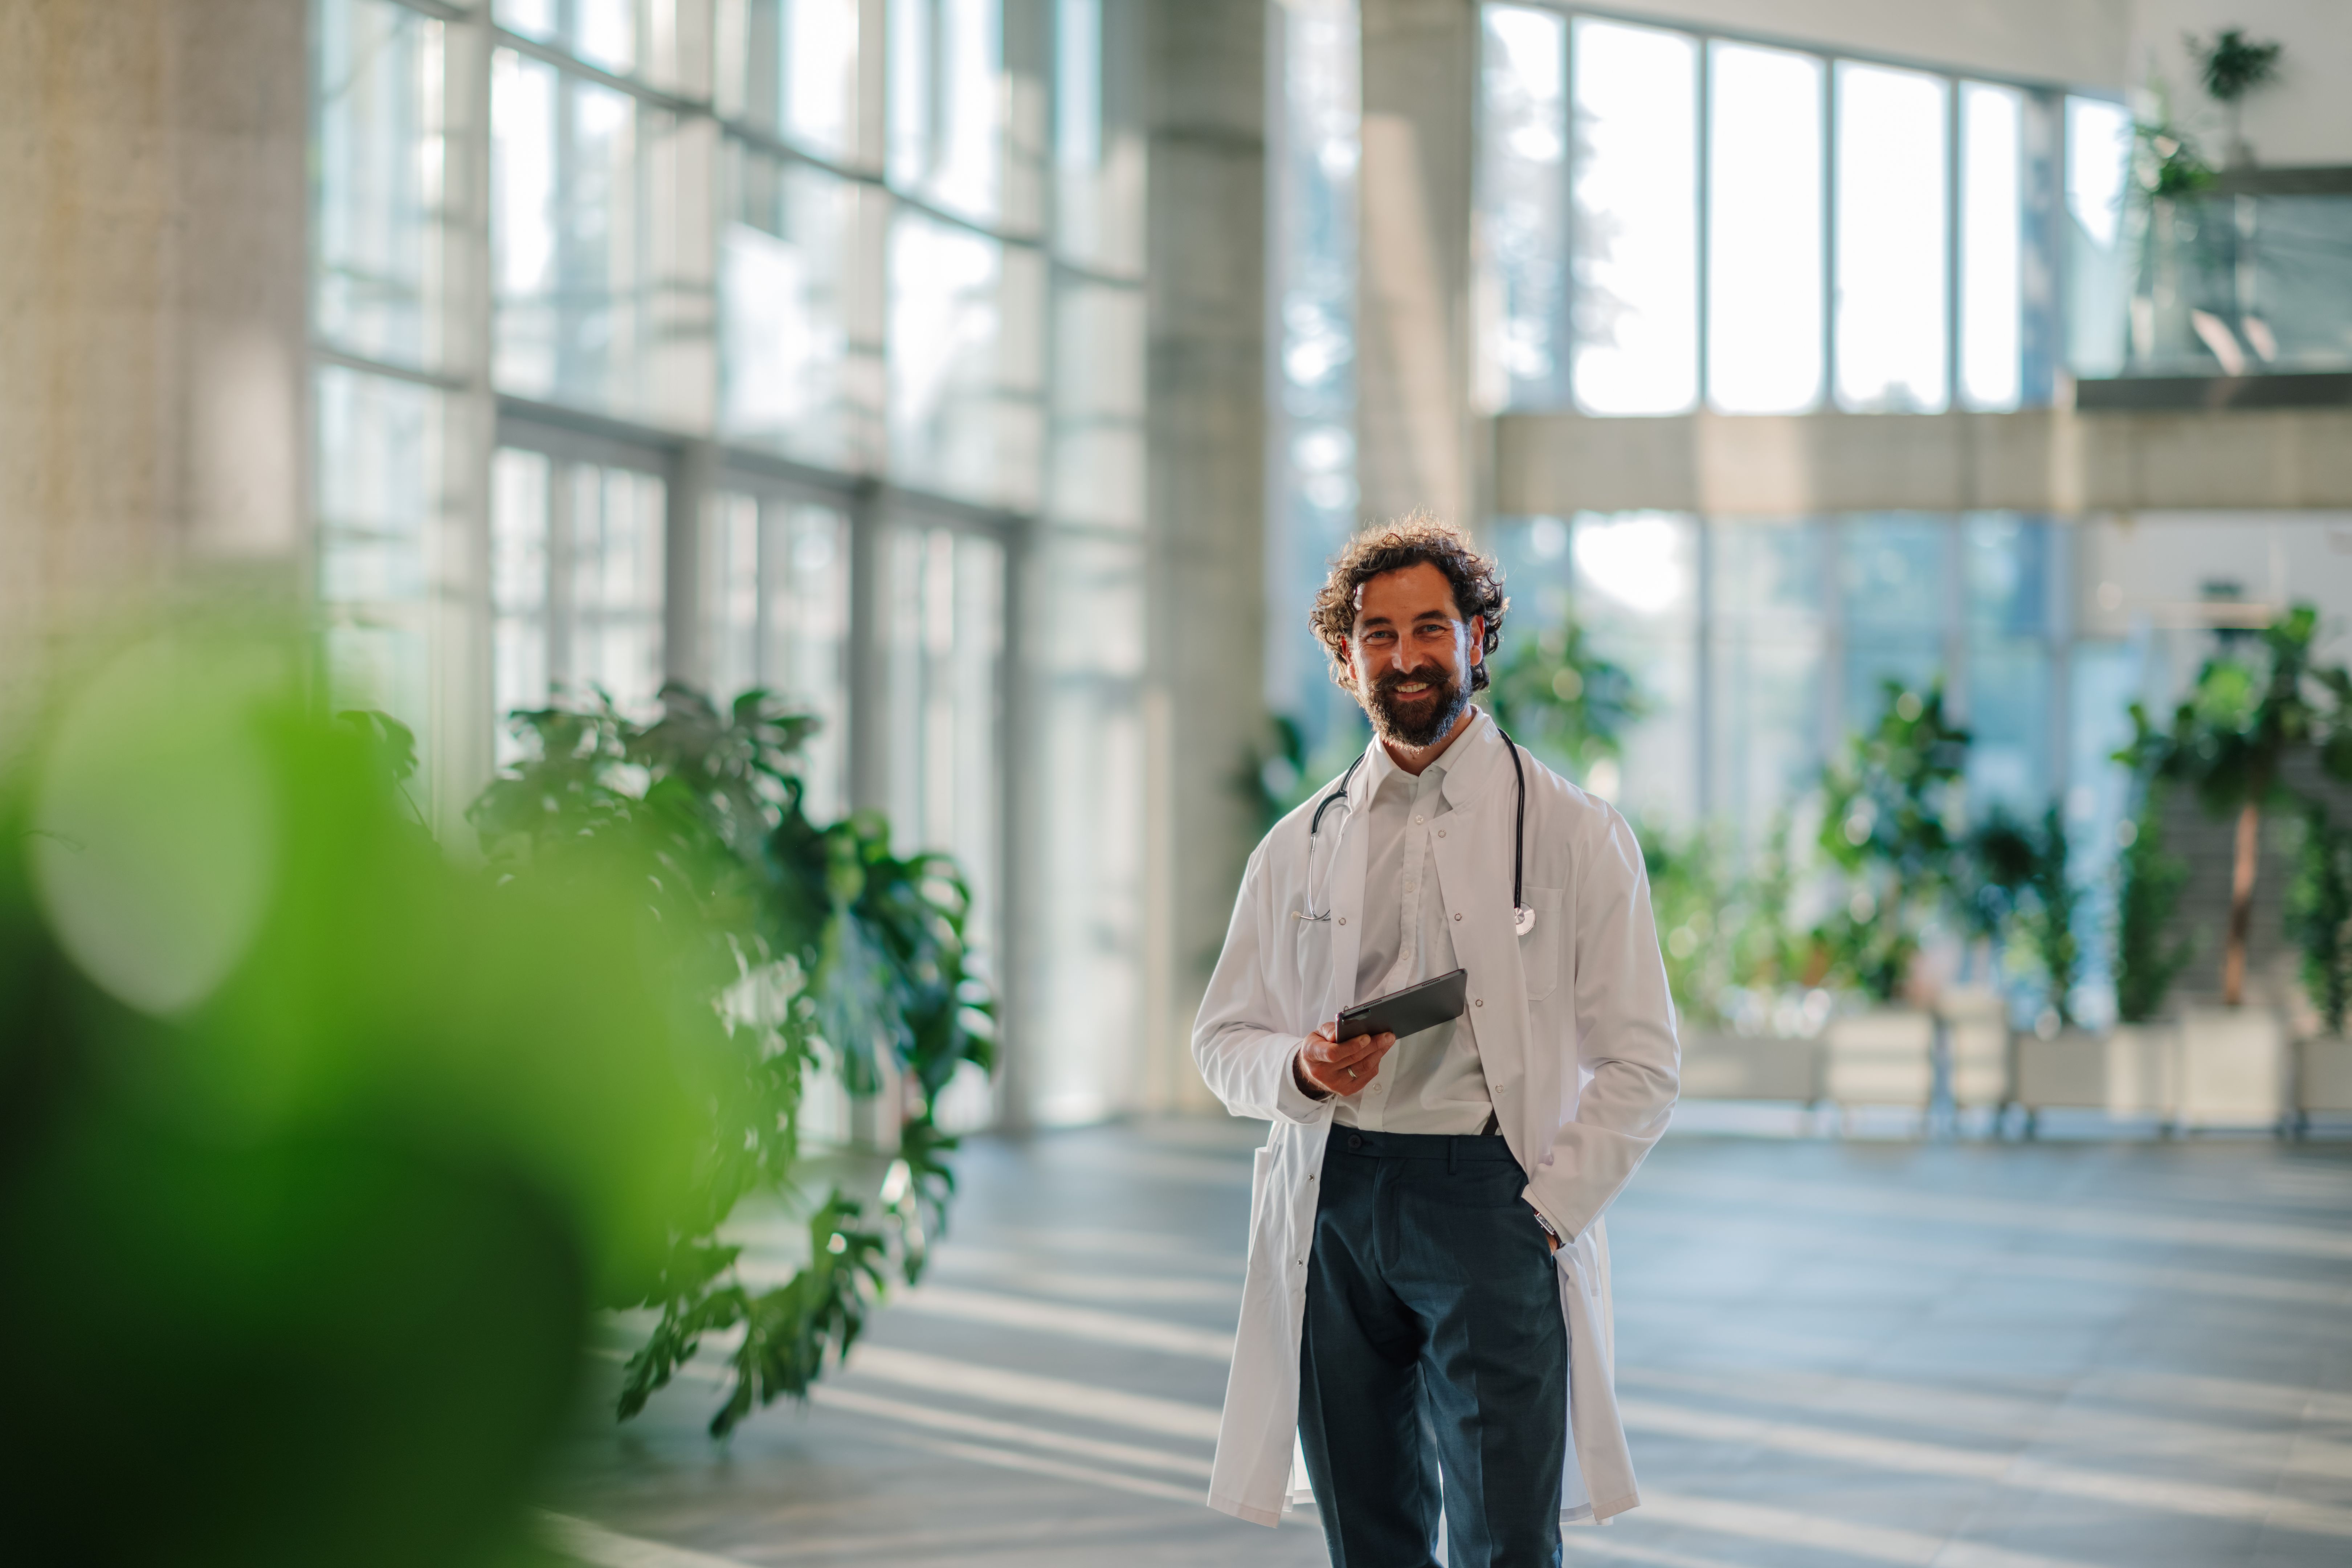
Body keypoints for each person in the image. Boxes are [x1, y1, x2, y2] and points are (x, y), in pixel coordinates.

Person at [1193, 514, 1681, 1565]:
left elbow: (1645, 1061)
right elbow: (1222, 1037)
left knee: (1507, 1542)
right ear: (1344, 655)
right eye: (1377, 634)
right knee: (1371, 1539)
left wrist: (1545, 1214)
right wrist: (1298, 1067)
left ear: (1479, 637)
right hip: (1336, 1204)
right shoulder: (1299, 844)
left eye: (1430, 629)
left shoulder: (1576, 835)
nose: (1405, 658)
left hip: (1490, 1201)